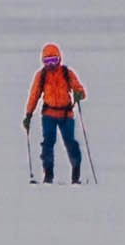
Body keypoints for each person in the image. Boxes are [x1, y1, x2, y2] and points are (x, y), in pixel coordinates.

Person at [25, 42, 87, 184]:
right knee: (48, 144)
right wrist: (28, 114)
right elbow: (34, 96)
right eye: (47, 62)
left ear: (59, 59)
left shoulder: (67, 73)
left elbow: (80, 90)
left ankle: (76, 174)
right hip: (49, 115)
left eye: (54, 60)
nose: (51, 65)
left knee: (71, 143)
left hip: (66, 115)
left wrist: (79, 94)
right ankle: (48, 175)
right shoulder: (41, 76)